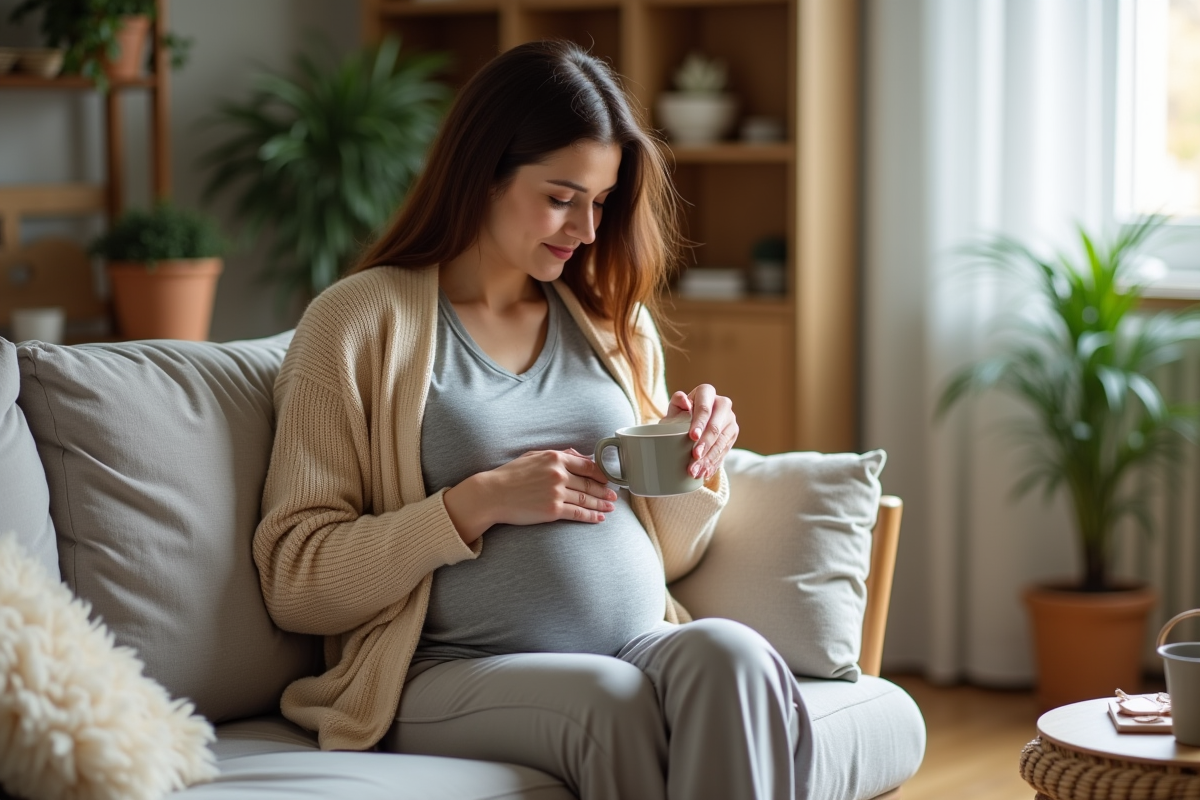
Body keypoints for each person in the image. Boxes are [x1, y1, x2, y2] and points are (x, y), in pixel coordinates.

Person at [253, 39, 814, 800]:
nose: (586, 228)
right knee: (608, 706)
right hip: (445, 672)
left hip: (639, 638)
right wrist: (475, 503)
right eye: (561, 196)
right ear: (482, 172)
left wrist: (695, 461)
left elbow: (671, 555)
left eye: (602, 201)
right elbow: (297, 579)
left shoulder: (610, 319)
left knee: (737, 657)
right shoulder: (358, 324)